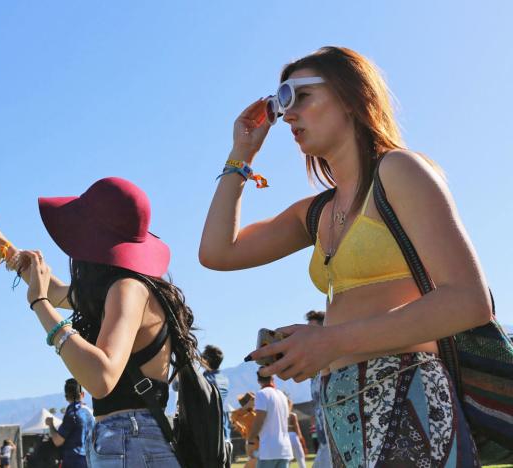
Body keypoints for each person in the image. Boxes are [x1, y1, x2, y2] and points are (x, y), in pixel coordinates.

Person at [202, 46, 488, 467]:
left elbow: (470, 300)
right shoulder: (316, 211)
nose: (289, 115)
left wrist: (331, 340)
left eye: (301, 96)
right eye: (281, 103)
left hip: (407, 396)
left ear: (352, 96)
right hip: (341, 408)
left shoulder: (400, 171)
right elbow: (216, 252)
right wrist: (241, 155)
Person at [0, 176, 201, 467]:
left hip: (130, 440)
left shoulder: (127, 289)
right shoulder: (125, 287)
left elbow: (101, 378)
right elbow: (54, 290)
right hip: (132, 440)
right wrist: (3, 247)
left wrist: (39, 305)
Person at [45, 378, 95, 468]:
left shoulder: (72, 414)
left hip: (73, 462)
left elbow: (57, 441)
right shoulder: (90, 414)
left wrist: (51, 425)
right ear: (82, 394)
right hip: (91, 461)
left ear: (66, 397)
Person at [246, 373, 292, 468]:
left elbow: (259, 420)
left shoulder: (261, 393)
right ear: (272, 378)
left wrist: (250, 441)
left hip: (269, 450)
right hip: (285, 448)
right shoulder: (282, 395)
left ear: (258, 381)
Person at [305, 310, 331, 468]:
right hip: (323, 444)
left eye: (311, 331)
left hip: (337, 440)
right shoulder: (314, 370)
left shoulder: (337, 362)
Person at [201, 344, 231, 441]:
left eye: (202, 356)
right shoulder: (224, 379)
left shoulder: (206, 380)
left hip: (210, 435)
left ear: (207, 360)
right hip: (223, 433)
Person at [230, 393, 258, 468]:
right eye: (253, 400)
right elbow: (233, 418)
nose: (255, 402)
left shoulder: (254, 412)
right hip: (253, 443)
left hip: (258, 442)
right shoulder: (241, 414)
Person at [286, 397, 307, 468]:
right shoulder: (292, 415)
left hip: (284, 437)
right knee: (300, 456)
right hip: (293, 436)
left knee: (287, 458)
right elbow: (297, 428)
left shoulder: (280, 415)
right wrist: (302, 440)